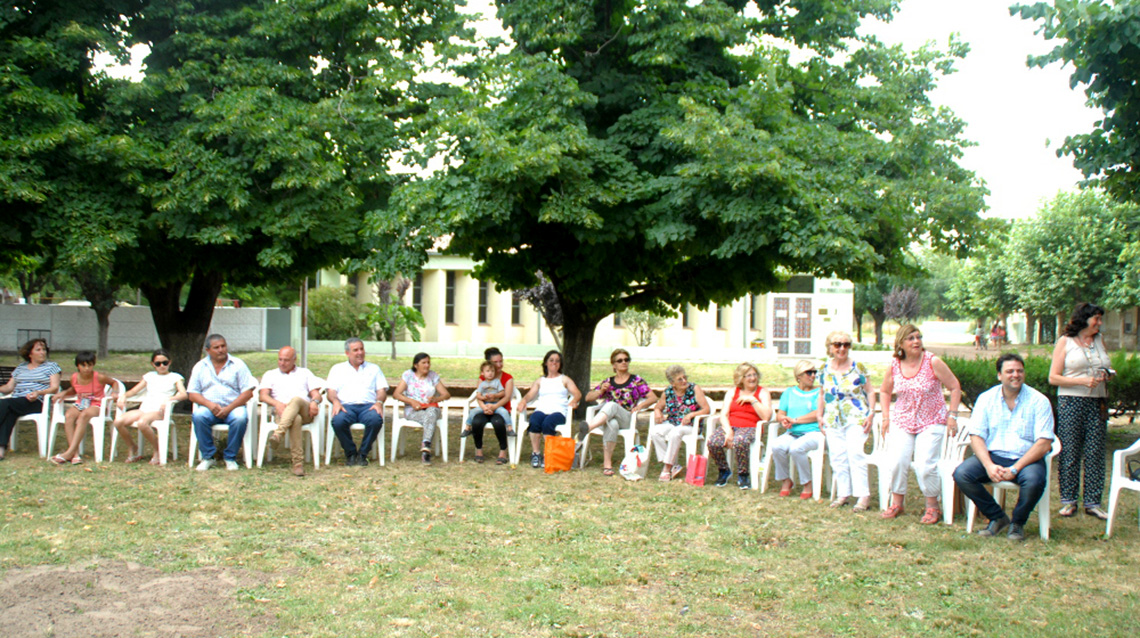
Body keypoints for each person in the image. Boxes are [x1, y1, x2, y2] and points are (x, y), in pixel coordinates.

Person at [954, 353, 1055, 541]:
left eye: (1019, 371)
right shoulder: (986, 399)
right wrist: (988, 465)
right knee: (962, 474)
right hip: (994, 456)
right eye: (1010, 371)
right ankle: (997, 517)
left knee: (1034, 480)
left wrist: (1016, 468)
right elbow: (976, 436)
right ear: (999, 375)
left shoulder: (1039, 401)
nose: (1015, 375)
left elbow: (1043, 443)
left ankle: (1018, 523)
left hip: (1027, 459)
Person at [878, 325, 962, 523]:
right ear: (901, 344)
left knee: (925, 465)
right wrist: (886, 417)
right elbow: (884, 391)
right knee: (898, 461)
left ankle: (933, 506)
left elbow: (955, 386)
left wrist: (953, 415)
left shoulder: (933, 362)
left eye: (919, 337)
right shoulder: (895, 365)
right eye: (911, 338)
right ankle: (897, 502)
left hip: (931, 420)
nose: (916, 341)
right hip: (903, 419)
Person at [1049, 302, 1114, 520]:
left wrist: (1106, 374)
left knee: (1095, 451)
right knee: (1070, 451)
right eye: (1096, 318)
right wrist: (1083, 381)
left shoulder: (1098, 340)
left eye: (1100, 319)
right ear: (1084, 319)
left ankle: (1093, 502)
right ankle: (1068, 501)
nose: (1099, 323)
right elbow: (1053, 377)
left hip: (1097, 401)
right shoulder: (1065, 342)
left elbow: (1106, 364)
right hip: (1071, 401)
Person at [818, 330, 876, 510]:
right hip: (833, 418)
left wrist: (871, 413)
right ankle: (844, 493)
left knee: (855, 453)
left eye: (846, 345)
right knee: (837, 456)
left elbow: (870, 391)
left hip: (856, 416)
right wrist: (820, 415)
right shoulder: (824, 368)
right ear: (830, 347)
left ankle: (863, 496)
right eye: (837, 344)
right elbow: (822, 393)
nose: (842, 348)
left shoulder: (857, 367)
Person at [579, 349, 657, 476]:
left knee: (611, 405)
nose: (624, 362)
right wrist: (600, 391)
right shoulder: (608, 382)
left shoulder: (636, 380)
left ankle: (588, 428)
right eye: (620, 360)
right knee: (613, 424)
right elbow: (588, 398)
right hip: (610, 419)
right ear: (614, 365)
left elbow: (653, 397)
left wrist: (640, 406)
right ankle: (607, 464)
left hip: (627, 418)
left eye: (626, 360)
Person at [188, 334, 257, 471]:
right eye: (216, 347)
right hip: (209, 407)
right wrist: (209, 404)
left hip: (233, 406)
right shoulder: (200, 366)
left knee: (240, 418)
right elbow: (192, 393)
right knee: (199, 416)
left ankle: (230, 457)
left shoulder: (238, 364)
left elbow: (248, 392)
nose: (221, 350)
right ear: (208, 350)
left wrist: (229, 408)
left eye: (223, 346)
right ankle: (208, 457)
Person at [112, 349, 187, 465]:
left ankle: (158, 450)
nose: (162, 366)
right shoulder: (149, 376)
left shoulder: (175, 377)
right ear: (153, 364)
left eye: (165, 363)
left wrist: (170, 399)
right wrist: (123, 396)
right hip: (145, 408)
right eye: (158, 364)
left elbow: (183, 394)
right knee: (118, 421)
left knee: (142, 422)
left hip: (159, 410)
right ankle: (132, 447)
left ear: (170, 362)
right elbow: (133, 391)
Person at [258, 346, 323, 477]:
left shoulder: (305, 373)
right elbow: (263, 396)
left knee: (297, 400)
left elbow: (316, 394)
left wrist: (315, 402)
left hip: (304, 409)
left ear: (294, 360)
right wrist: (277, 404)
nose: (282, 363)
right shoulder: (270, 374)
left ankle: (278, 434)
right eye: (280, 359)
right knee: (295, 419)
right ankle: (297, 464)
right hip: (282, 412)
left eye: (286, 360)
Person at [707, 362, 772, 489]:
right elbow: (723, 415)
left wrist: (753, 400)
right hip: (731, 426)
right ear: (740, 378)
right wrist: (729, 431)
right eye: (748, 375)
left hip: (751, 427)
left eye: (754, 375)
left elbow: (766, 417)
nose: (752, 378)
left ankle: (743, 474)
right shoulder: (732, 392)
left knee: (740, 440)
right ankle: (724, 470)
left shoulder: (762, 392)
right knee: (713, 441)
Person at [326, 337, 388, 467]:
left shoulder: (374, 369)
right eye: (356, 350)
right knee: (338, 421)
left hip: (368, 406)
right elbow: (331, 391)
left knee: (375, 420)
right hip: (346, 406)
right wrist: (336, 401)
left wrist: (379, 402)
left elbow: (381, 391)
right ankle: (351, 453)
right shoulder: (337, 369)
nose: (360, 352)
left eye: (362, 349)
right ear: (347, 353)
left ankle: (363, 454)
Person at [48, 351, 115, 465]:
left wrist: (115, 394)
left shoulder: (99, 377)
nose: (87, 368)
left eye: (90, 365)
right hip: (81, 403)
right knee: (69, 416)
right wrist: (64, 393)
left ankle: (69, 453)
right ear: (78, 365)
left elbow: (114, 383)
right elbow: (74, 389)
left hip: (97, 404)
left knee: (83, 416)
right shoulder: (74, 377)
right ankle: (75, 454)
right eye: (83, 365)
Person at [517, 350, 581, 469]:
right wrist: (523, 401)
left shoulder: (564, 379)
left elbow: (577, 393)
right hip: (542, 409)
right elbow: (530, 395)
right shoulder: (540, 381)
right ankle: (536, 453)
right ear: (546, 363)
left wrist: (574, 400)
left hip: (558, 412)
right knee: (535, 420)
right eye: (551, 360)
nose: (554, 363)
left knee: (548, 423)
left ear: (560, 364)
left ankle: (549, 455)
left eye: (557, 361)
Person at [0, 338, 61, 460]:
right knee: (9, 413)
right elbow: (8, 387)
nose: (42, 352)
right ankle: (1, 450)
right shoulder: (21, 367)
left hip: (37, 401)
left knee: (4, 404)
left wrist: (38, 392)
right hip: (16, 401)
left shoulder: (52, 366)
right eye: (38, 350)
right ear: (30, 353)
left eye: (44, 349)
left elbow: (54, 388)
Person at [649, 365, 710, 482]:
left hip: (691, 426)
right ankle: (673, 465)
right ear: (673, 383)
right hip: (672, 422)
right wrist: (657, 412)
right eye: (680, 379)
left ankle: (667, 468)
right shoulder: (668, 391)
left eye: (685, 377)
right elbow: (658, 406)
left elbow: (706, 409)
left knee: (675, 432)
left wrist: (691, 414)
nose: (684, 381)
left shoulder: (694, 388)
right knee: (655, 432)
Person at [771, 360, 823, 499]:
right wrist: (784, 419)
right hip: (793, 432)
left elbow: (818, 413)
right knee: (777, 446)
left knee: (796, 448)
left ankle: (807, 483)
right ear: (799, 375)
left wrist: (795, 420)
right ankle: (785, 480)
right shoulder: (789, 392)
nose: (813, 376)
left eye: (814, 372)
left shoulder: (819, 392)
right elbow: (780, 413)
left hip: (814, 432)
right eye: (809, 373)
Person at [393, 352, 451, 465]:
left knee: (432, 413)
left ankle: (426, 445)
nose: (427, 365)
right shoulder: (408, 375)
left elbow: (446, 394)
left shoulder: (433, 376)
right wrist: (411, 401)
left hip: (431, 408)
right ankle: (426, 449)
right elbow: (396, 394)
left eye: (428, 362)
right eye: (423, 363)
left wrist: (435, 399)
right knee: (430, 418)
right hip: (413, 410)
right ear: (416, 365)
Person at [461, 360, 514, 464]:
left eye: (492, 371)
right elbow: (478, 395)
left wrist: (495, 399)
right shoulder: (482, 383)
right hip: (484, 406)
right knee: (475, 417)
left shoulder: (498, 382)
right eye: (488, 371)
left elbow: (504, 394)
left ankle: (509, 428)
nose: (490, 373)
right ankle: (468, 428)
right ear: (483, 373)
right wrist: (484, 405)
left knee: (500, 419)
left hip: (497, 406)